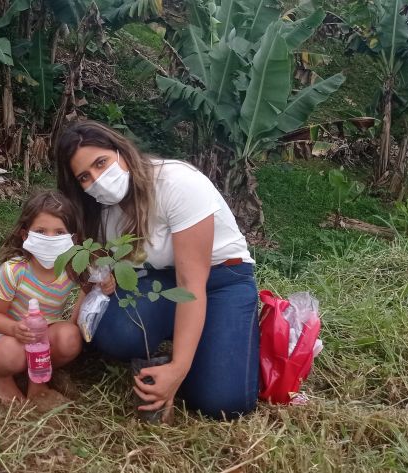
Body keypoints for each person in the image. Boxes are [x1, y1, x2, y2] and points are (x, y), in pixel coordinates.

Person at [52, 121, 260, 419]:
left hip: (222, 280)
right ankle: (195, 338)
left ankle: (222, 335)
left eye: (101, 163)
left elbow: (190, 284)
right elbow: (96, 279)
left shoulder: (177, 183)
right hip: (161, 279)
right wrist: (72, 335)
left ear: (121, 151)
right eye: (84, 176)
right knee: (113, 333)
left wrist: (178, 368)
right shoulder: (102, 211)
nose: (97, 180)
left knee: (222, 402)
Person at [0, 190, 114, 403]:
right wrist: (14, 329)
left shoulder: (72, 268)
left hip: (46, 332)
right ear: (25, 235)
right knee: (11, 355)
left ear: (73, 239)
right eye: (41, 231)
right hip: (10, 334)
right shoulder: (14, 270)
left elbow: (91, 284)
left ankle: (37, 381)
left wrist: (105, 282)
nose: (50, 239)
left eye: (59, 232)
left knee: (70, 339)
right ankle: (3, 378)